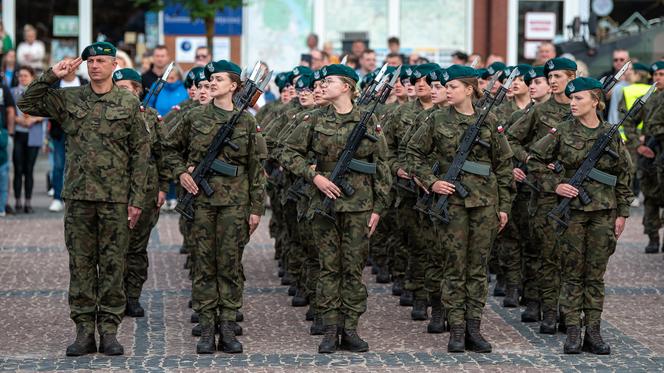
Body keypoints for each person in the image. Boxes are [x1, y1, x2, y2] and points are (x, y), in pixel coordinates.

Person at [17, 42, 150, 356]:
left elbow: (140, 154)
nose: (94, 66)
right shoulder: (70, 98)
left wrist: (136, 199)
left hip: (115, 200)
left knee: (113, 266)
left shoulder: (127, 103)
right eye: (90, 61)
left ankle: (109, 331)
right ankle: (83, 332)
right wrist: (52, 74)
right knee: (81, 266)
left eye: (101, 61)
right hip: (79, 198)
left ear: (114, 64)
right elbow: (26, 102)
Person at [280, 64, 391, 354]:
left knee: (352, 269)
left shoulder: (368, 120)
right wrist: (314, 176)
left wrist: (379, 208)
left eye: (329, 81)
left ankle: (350, 328)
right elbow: (287, 152)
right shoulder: (313, 119)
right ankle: (330, 328)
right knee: (329, 268)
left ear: (347, 87)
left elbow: (382, 167)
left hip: (359, 207)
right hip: (324, 205)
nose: (322, 85)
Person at [406, 64, 512, 353]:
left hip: (484, 205)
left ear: (469, 89)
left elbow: (503, 166)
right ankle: (456, 329)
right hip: (451, 206)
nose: (447, 91)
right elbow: (412, 154)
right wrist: (432, 181)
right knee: (453, 267)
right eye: (445, 87)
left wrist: (503, 206)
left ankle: (474, 328)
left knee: (477, 269)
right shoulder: (437, 119)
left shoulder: (489, 122)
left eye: (452, 86)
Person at [163, 60, 265, 354]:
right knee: (205, 266)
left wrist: (256, 208)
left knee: (230, 266)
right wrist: (181, 172)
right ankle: (207, 329)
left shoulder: (245, 121)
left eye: (219, 79)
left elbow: (255, 169)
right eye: (211, 79)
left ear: (234, 86)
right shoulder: (195, 117)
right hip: (203, 204)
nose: (213, 82)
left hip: (235, 205)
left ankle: (229, 328)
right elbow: (166, 147)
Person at [528, 77, 632, 354]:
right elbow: (533, 161)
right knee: (572, 274)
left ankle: (593, 333)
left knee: (595, 276)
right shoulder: (561, 131)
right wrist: (555, 185)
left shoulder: (611, 133)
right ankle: (573, 332)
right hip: (572, 214)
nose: (572, 103)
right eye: (571, 99)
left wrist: (622, 213)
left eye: (579, 99)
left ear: (595, 102)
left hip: (603, 214)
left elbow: (624, 175)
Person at [507, 57, 577, 334]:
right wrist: (528, 160)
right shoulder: (539, 111)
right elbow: (511, 140)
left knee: (571, 258)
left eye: (558, 76)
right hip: (545, 192)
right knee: (545, 254)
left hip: (577, 192)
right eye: (550, 76)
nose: (553, 81)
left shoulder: (581, 108)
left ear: (572, 77)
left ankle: (567, 311)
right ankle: (547, 309)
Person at [112, 68, 170, 318]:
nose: (122, 93)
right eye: (118, 88)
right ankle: (113, 297)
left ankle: (132, 296)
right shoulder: (109, 115)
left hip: (145, 192)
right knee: (113, 248)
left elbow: (164, 155)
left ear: (138, 91)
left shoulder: (152, 118)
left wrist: (163, 187)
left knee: (136, 249)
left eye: (127, 88)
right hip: (113, 192)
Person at [624, 61, 664, 253]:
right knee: (650, 197)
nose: (658, 78)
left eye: (662, 75)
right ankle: (653, 237)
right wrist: (638, 146)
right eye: (656, 75)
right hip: (650, 150)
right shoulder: (646, 99)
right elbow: (629, 122)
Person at [48, 57, 88, 213]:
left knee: (79, 165)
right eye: (64, 63)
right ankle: (57, 198)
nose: (68, 66)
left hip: (80, 133)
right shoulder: (55, 84)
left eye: (71, 63)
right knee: (58, 165)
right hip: (59, 131)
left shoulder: (84, 83)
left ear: (76, 66)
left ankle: (75, 197)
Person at [11, 66, 46, 213]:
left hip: (34, 133)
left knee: (29, 169)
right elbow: (7, 110)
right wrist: (17, 120)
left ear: (32, 77)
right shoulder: (13, 92)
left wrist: (34, 119)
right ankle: (18, 200)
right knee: (18, 169)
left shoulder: (38, 93)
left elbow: (47, 112)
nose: (22, 78)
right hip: (19, 133)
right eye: (20, 76)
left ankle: (28, 202)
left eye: (25, 76)